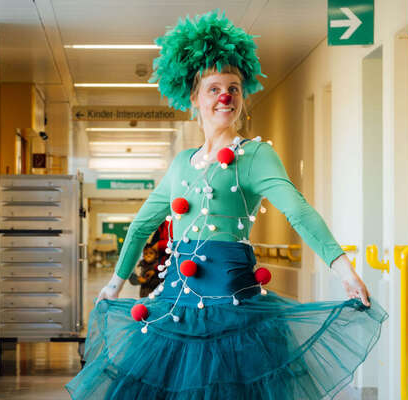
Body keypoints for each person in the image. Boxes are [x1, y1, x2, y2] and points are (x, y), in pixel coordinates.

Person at [66, 10, 387, 400]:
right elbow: (139, 226)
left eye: (234, 88)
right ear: (194, 98)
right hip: (174, 311)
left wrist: (345, 271)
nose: (226, 96)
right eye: (215, 88)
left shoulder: (254, 155)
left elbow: (298, 211)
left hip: (235, 314)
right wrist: (114, 285)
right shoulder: (182, 162)